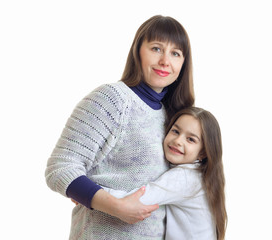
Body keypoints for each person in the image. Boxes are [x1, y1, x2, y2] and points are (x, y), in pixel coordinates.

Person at [45, 15, 194, 239]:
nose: (165, 61)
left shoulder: (174, 117)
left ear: (183, 63)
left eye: (175, 53)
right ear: (138, 52)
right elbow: (61, 167)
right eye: (156, 48)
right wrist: (114, 206)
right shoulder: (112, 99)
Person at [100, 107, 227, 240]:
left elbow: (136, 199)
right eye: (176, 131)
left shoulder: (184, 178)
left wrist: (92, 191)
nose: (178, 141)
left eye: (191, 139)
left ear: (203, 153)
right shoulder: (200, 176)